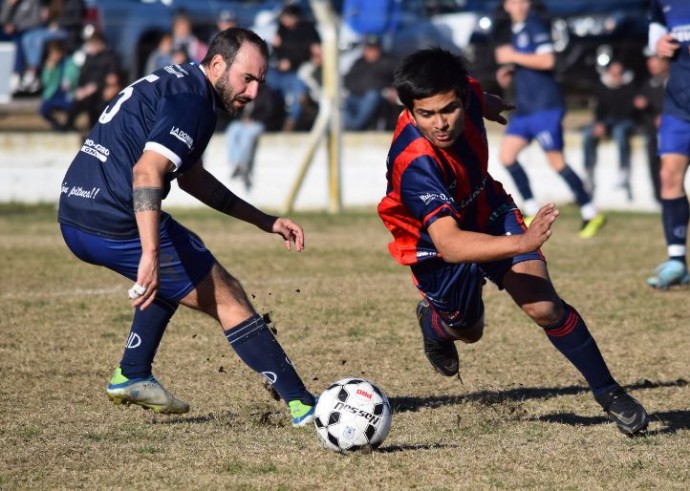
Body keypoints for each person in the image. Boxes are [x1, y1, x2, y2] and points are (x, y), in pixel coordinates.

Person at [377, 47, 649, 436]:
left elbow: (476, 94)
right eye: (426, 114)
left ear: (462, 98)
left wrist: (487, 104)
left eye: (449, 110)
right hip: (435, 247)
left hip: (487, 208)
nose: (440, 123)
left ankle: (609, 393)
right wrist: (523, 243)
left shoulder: (466, 93)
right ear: (409, 110)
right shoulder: (415, 164)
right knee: (469, 331)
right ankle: (435, 323)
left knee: (544, 308)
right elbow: (452, 244)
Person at [57, 28, 317, 427]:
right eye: (246, 78)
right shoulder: (194, 103)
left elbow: (192, 179)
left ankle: (133, 373)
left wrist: (265, 221)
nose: (253, 92)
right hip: (112, 216)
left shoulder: (180, 84)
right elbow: (146, 172)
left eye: (259, 82)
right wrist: (150, 254)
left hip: (74, 214)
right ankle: (304, 407)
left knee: (183, 258)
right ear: (217, 64)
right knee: (227, 295)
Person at [493, 0, 605, 238]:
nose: (520, 5)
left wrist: (513, 56)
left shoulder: (534, 25)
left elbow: (548, 60)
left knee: (556, 161)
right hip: (524, 108)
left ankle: (590, 210)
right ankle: (531, 208)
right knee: (507, 156)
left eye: (523, 1)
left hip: (545, 106)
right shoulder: (514, 30)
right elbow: (529, 61)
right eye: (515, 1)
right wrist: (510, 70)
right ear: (506, 5)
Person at [645, 0, 690, 289]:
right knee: (668, 176)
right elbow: (655, 46)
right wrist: (659, 47)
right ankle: (677, 261)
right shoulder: (661, 3)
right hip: (678, 106)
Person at [582, 60, 639, 200]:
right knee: (588, 134)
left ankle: (623, 171)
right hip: (607, 121)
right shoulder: (602, 86)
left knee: (620, 132)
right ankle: (588, 172)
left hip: (625, 121)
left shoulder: (630, 86)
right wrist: (600, 124)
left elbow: (629, 112)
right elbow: (599, 110)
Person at [266, 4, 320, 131]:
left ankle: (291, 122)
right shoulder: (281, 30)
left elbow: (311, 52)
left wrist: (292, 62)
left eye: (288, 17)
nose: (285, 20)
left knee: (299, 89)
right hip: (280, 73)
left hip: (299, 71)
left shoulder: (308, 30)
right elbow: (276, 52)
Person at [225, 83, 283, 190]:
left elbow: (269, 111)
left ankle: (243, 166)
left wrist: (254, 119)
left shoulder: (266, 91)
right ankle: (236, 163)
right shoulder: (243, 90)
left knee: (247, 136)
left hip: (260, 122)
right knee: (233, 130)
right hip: (244, 122)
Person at [61, 31, 121, 131]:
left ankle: (96, 130)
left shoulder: (110, 57)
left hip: (101, 90)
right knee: (78, 101)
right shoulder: (89, 57)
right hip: (88, 91)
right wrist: (80, 89)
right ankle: (68, 126)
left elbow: (112, 79)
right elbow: (83, 75)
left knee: (99, 105)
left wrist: (95, 87)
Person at [634, 48, 669, 204]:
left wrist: (667, 116)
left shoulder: (676, 81)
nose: (651, 64)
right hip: (654, 133)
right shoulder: (648, 83)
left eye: (654, 60)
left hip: (675, 132)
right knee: (654, 162)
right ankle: (659, 197)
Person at [342, 35, 397, 131]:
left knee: (372, 96)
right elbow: (348, 80)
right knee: (340, 102)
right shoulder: (359, 63)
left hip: (378, 96)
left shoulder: (389, 62)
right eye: (369, 48)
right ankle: (351, 127)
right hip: (355, 96)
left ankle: (355, 128)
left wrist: (395, 89)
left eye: (374, 48)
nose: (372, 51)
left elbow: (400, 78)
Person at [38, 37, 79, 129]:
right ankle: (57, 126)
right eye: (51, 53)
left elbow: (72, 78)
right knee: (43, 110)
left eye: (55, 53)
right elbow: (46, 83)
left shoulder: (69, 63)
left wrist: (69, 81)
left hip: (67, 95)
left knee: (72, 107)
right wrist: (49, 71)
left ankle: (68, 125)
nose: (53, 56)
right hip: (53, 95)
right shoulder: (50, 65)